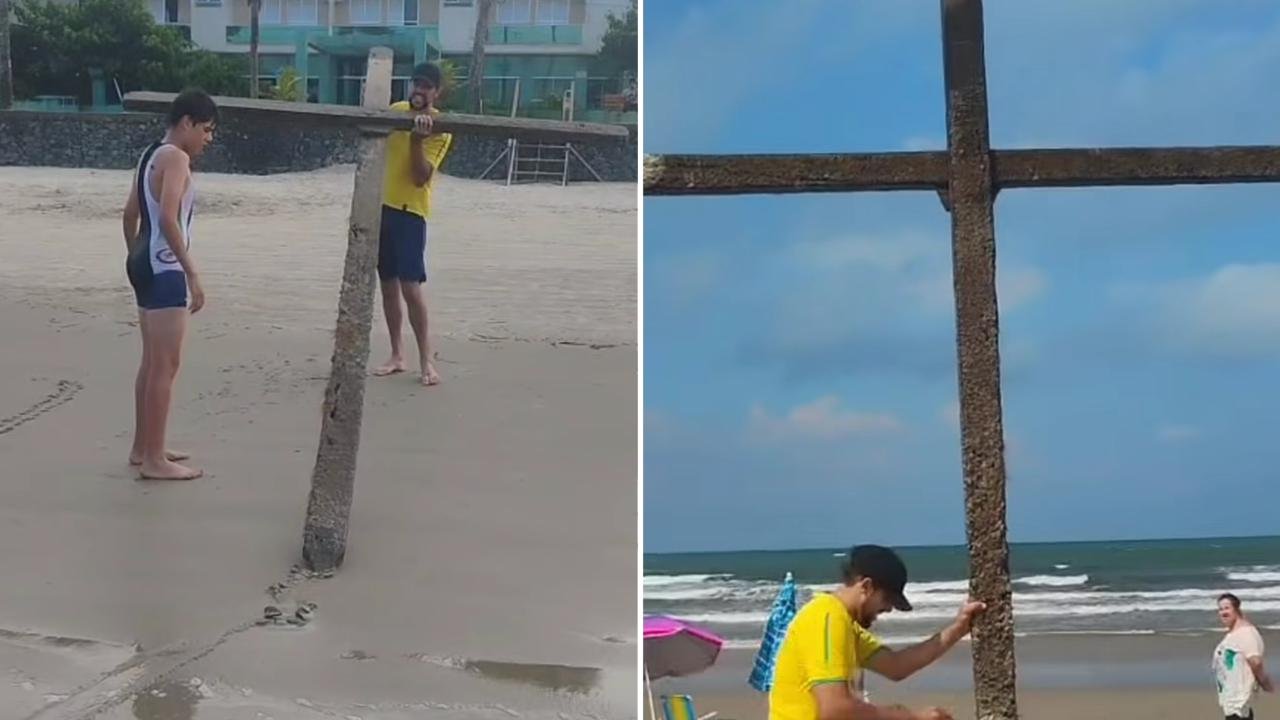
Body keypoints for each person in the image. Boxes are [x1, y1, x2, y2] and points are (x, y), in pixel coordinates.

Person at [769, 544, 986, 720]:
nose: (888, 609)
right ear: (866, 586)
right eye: (887, 599)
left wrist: (958, 629)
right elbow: (835, 709)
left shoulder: (845, 624)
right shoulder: (826, 617)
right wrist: (908, 717)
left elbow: (896, 666)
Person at [122, 89, 217, 480]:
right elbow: (167, 219)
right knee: (166, 364)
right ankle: (154, 460)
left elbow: (130, 214)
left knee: (151, 362)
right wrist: (190, 272)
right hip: (164, 266)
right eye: (207, 130)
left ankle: (143, 447)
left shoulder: (150, 154)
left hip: (144, 260)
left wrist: (135, 257)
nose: (208, 139)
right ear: (186, 123)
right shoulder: (177, 158)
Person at [371, 62, 454, 387]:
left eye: (426, 86)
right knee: (388, 287)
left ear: (437, 92)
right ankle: (396, 355)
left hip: (411, 212)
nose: (419, 90)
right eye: (416, 83)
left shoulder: (441, 128)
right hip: (382, 209)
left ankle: (427, 361)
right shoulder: (395, 111)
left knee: (411, 289)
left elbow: (421, 178)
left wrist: (418, 139)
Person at [1214, 592, 1273, 720]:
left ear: (1237, 610)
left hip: (1240, 706)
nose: (1223, 612)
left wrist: (1265, 684)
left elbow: (1255, 661)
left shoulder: (1247, 633)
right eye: (1220, 609)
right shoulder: (1233, 634)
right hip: (1232, 704)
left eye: (1227, 608)